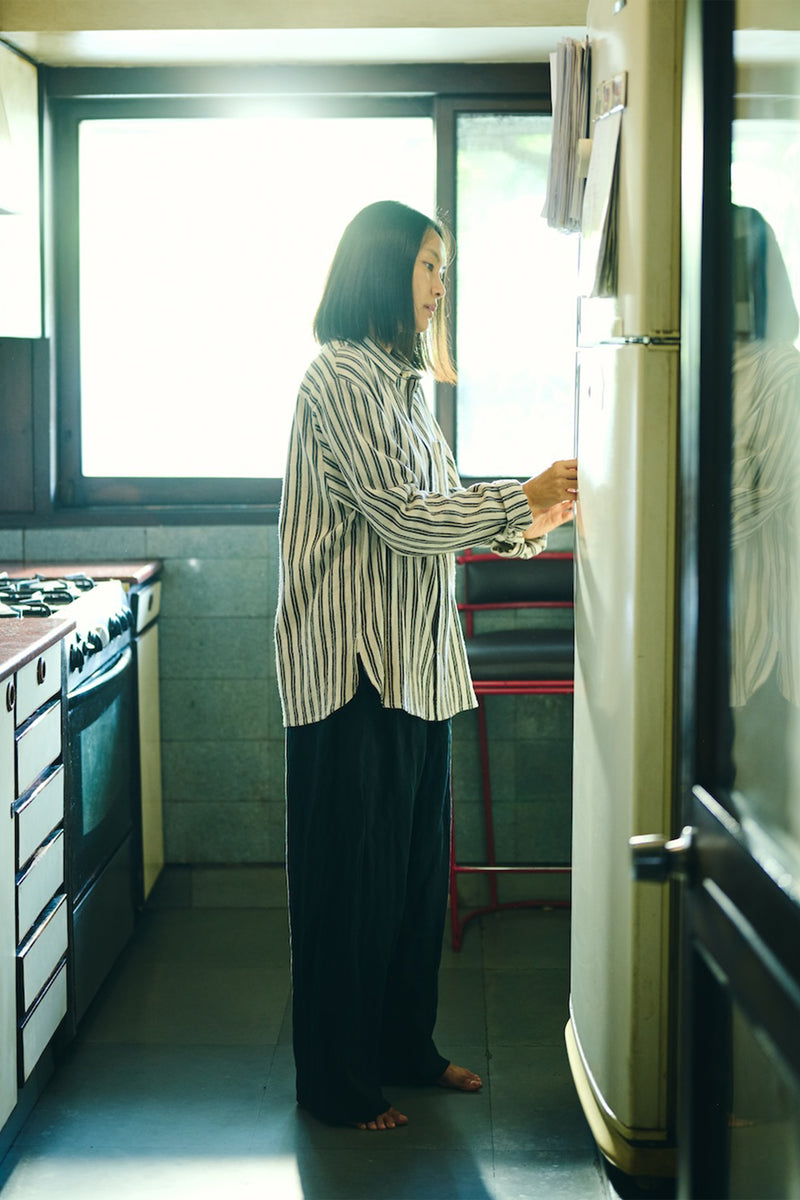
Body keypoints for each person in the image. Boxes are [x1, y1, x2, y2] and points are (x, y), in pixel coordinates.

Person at [274, 199, 577, 1131]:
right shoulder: (337, 378)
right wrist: (516, 506)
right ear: (381, 269)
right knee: (347, 894)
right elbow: (403, 515)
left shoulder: (406, 384)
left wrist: (537, 517)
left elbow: (440, 505)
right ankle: (336, 1087)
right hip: (352, 672)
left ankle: (404, 1051)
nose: (441, 286)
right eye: (428, 265)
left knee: (409, 887)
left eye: (444, 268)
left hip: (416, 668)